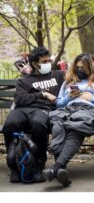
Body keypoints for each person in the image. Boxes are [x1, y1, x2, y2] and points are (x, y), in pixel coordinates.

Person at [43, 53, 94, 187]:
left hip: (86, 110)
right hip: (68, 109)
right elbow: (59, 103)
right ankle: (60, 169)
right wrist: (69, 97)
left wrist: (93, 98)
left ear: (90, 67)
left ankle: (56, 167)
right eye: (77, 67)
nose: (79, 70)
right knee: (58, 122)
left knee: (75, 128)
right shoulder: (68, 82)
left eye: (83, 67)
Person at [3, 46, 65, 183]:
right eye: (44, 61)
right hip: (21, 110)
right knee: (10, 124)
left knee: (38, 123)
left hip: (43, 110)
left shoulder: (58, 75)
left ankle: (38, 164)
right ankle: (14, 165)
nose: (48, 63)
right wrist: (42, 94)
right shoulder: (24, 80)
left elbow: (84, 73)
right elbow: (20, 99)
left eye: (49, 60)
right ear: (34, 64)